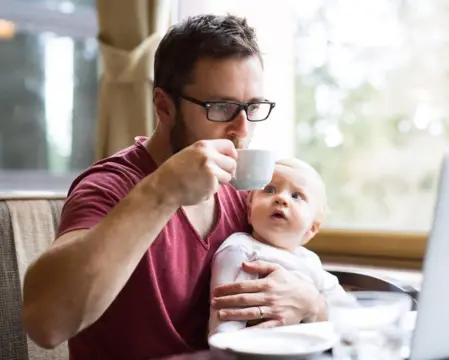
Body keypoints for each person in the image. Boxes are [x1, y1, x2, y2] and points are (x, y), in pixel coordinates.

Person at [21, 14, 328, 360]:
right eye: (222, 107)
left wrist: (309, 302)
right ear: (165, 106)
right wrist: (163, 191)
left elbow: (316, 298)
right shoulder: (110, 186)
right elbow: (45, 324)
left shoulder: (246, 194)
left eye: (252, 107)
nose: (242, 130)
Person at [208, 158, 351, 335]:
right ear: (249, 212)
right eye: (269, 189)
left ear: (311, 230)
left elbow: (345, 310)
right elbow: (224, 319)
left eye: (296, 196)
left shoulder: (310, 260)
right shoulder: (239, 250)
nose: (281, 198)